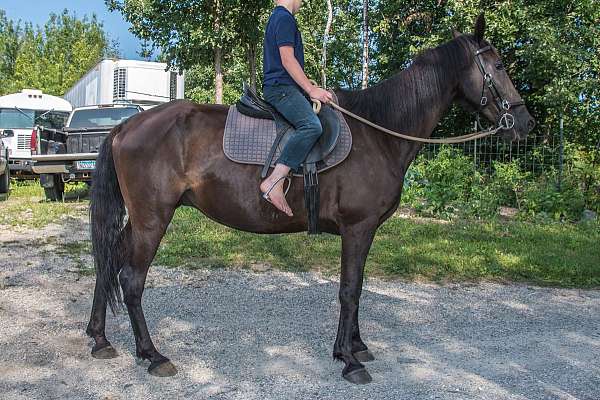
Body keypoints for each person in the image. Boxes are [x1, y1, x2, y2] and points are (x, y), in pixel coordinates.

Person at [260, 0, 333, 217]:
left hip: (283, 87)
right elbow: (287, 59)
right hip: (281, 89)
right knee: (311, 125)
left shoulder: (279, 17)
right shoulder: (284, 18)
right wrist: (311, 90)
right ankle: (274, 181)